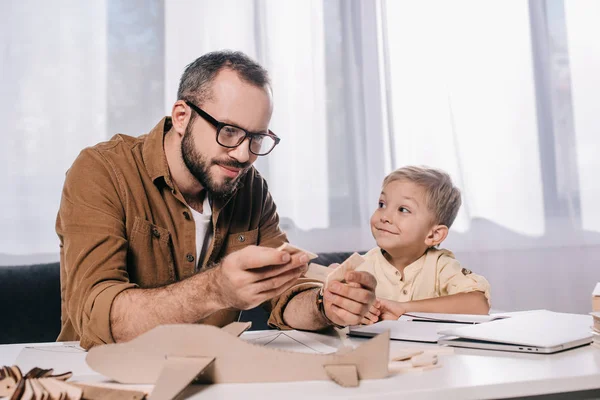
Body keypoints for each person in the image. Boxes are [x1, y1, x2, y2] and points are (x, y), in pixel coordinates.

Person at [55, 50, 376, 349]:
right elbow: (98, 316)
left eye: (257, 138)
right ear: (182, 116)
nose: (244, 154)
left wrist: (327, 305)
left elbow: (285, 296)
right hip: (101, 372)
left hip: (211, 375)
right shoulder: (103, 171)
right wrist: (215, 289)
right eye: (229, 131)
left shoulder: (249, 187)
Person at [359, 166, 490, 324]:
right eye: (382, 204)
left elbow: (478, 304)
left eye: (403, 209)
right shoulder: (363, 266)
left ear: (434, 235)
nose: (385, 216)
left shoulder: (440, 265)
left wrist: (404, 308)